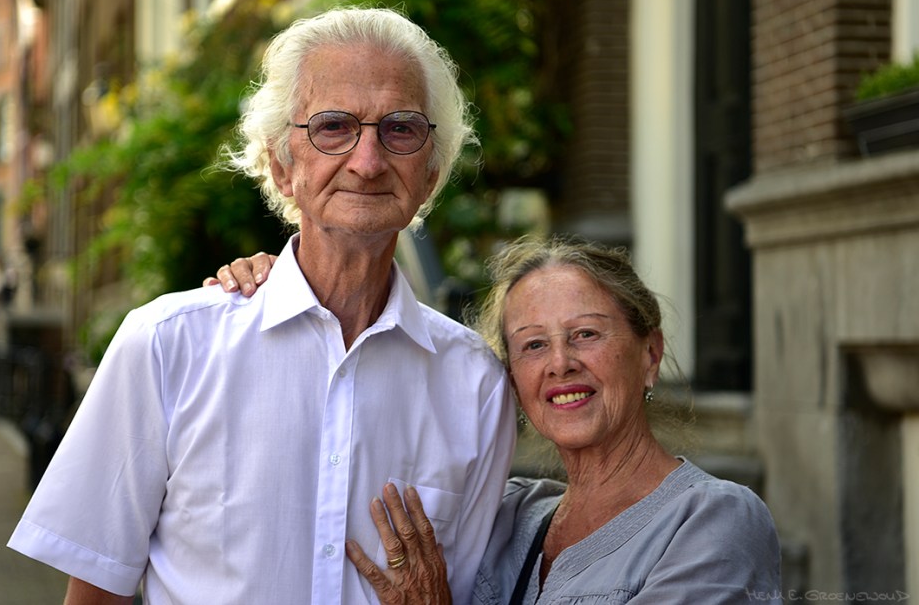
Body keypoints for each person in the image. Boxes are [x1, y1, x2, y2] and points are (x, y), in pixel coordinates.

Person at [7, 7, 516, 605]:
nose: (369, 160)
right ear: (281, 166)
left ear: (431, 174)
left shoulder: (475, 384)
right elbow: (96, 593)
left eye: (401, 129)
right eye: (333, 127)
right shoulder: (168, 345)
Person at [212, 235, 783, 604]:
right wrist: (293, 280)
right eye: (533, 346)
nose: (560, 364)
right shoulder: (505, 514)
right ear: (513, 380)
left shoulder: (715, 521)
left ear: (650, 355)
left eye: (585, 334)